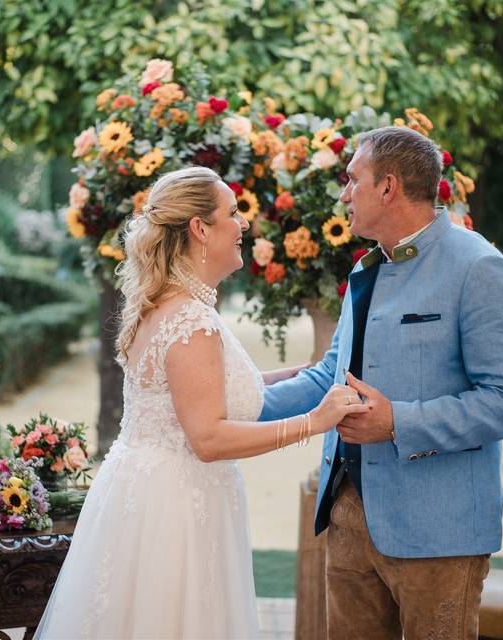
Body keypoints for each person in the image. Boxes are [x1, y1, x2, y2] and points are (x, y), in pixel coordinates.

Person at [34, 166, 371, 639]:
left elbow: (202, 389)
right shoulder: (191, 319)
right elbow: (208, 437)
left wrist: (298, 374)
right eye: (233, 214)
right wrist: (314, 422)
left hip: (145, 493)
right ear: (200, 228)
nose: (244, 225)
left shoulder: (170, 307)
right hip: (176, 509)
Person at [260, 126, 503, 639]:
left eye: (352, 180)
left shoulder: (479, 267)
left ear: (387, 187)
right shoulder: (367, 269)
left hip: (440, 534)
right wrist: (236, 402)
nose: (344, 194)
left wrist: (397, 422)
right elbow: (329, 376)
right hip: (346, 518)